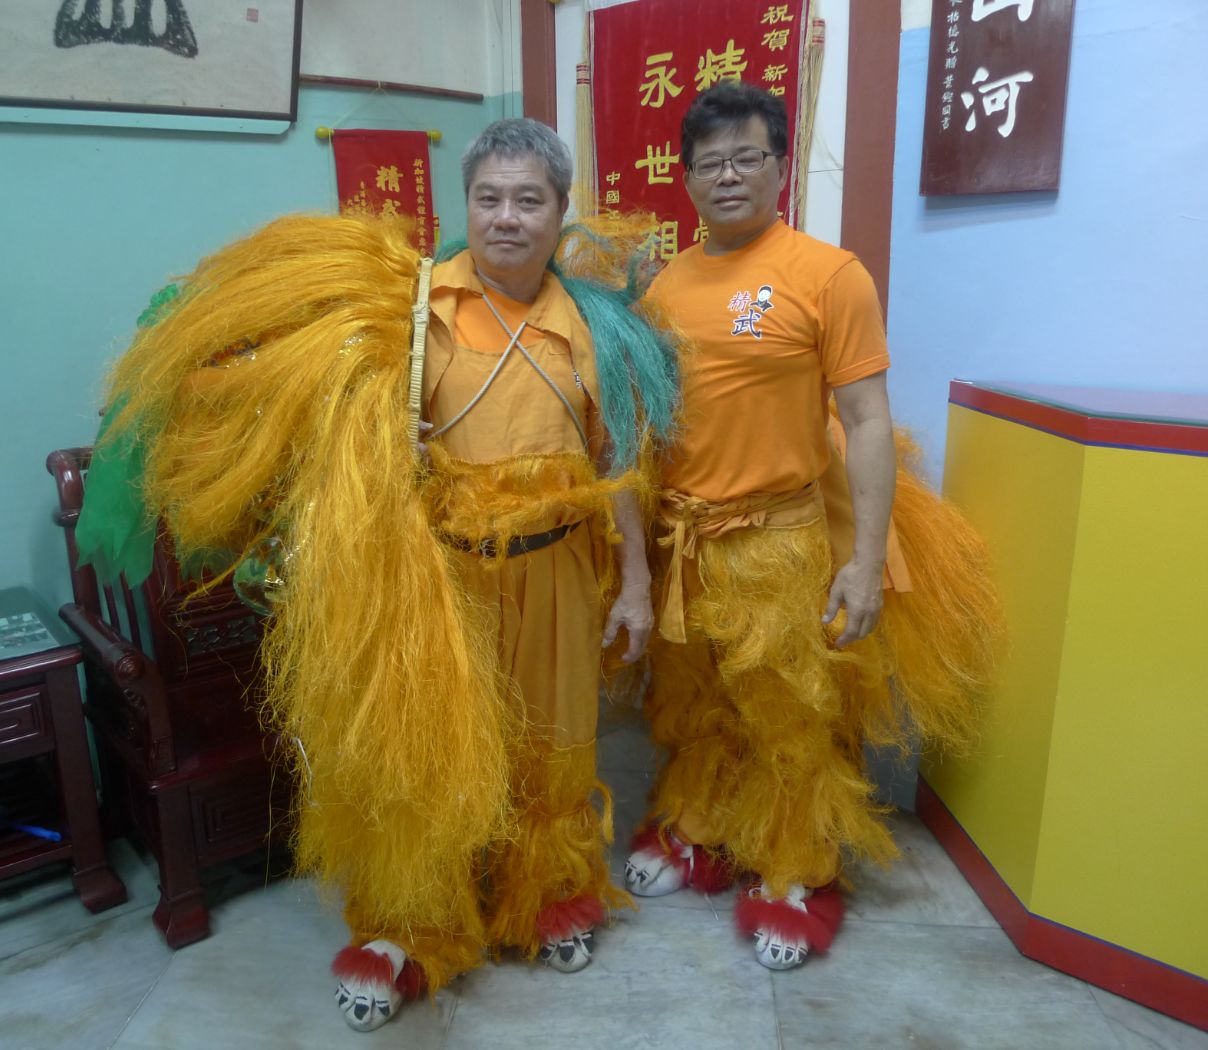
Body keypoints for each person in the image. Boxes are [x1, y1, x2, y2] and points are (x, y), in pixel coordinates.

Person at [73, 118, 678, 1030]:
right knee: (421, 757)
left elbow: (617, 464)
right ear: (464, 205)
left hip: (555, 574)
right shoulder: (412, 312)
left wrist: (634, 581)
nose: (506, 218)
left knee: (555, 743)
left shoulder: (598, 331)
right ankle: (412, 926)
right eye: (489, 198)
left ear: (560, 213)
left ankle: (547, 896)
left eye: (528, 201)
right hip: (434, 586)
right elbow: (319, 442)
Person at [623, 82, 1000, 971]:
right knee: (693, 703)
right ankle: (701, 830)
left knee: (791, 715)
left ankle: (797, 872)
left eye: (746, 158)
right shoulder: (665, 284)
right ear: (685, 178)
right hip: (685, 541)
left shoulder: (829, 275)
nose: (727, 177)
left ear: (781, 167)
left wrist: (865, 564)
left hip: (780, 539)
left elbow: (867, 423)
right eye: (708, 163)